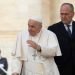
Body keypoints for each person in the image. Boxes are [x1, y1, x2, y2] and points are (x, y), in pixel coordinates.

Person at [48, 3, 75, 75]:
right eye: (61, 14)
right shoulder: (52, 29)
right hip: (61, 69)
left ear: (73, 14)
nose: (63, 16)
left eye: (66, 14)